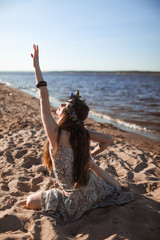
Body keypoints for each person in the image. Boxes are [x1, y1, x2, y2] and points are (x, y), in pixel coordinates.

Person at [26, 45, 134, 222]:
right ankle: (94, 168)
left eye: (63, 106)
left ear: (68, 114)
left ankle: (93, 169)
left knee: (29, 201)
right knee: (114, 188)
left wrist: (36, 67)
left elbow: (43, 97)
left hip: (73, 199)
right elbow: (108, 140)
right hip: (90, 190)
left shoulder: (55, 134)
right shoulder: (82, 133)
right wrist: (90, 159)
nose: (59, 106)